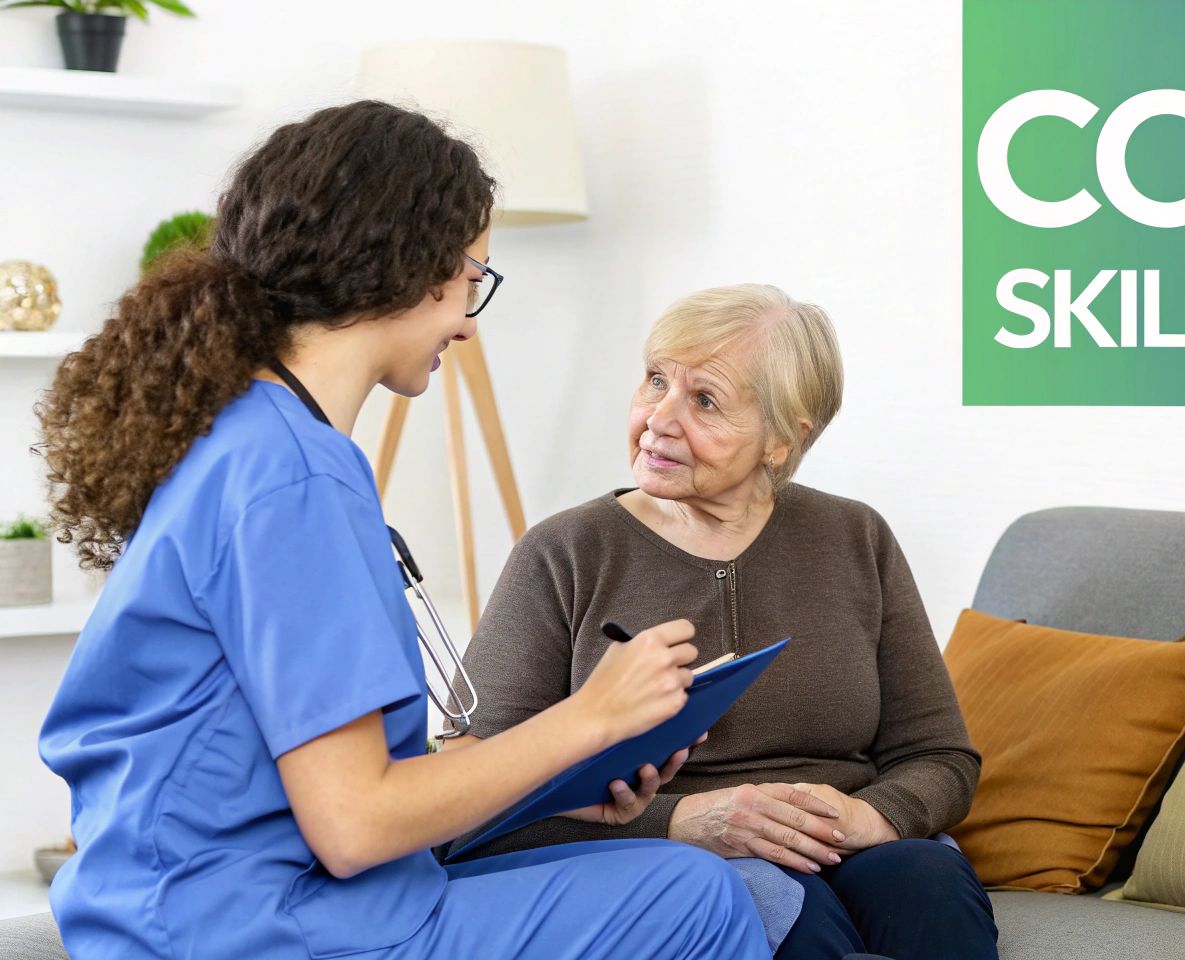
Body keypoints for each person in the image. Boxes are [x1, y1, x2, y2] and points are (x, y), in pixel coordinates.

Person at [35, 101, 769, 960]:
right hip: (250, 931)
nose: (466, 321)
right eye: (473, 281)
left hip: (187, 910)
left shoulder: (242, 439)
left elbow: (308, 788)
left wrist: (553, 783)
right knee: (699, 895)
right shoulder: (296, 477)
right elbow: (354, 821)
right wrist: (590, 719)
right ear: (413, 267)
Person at [447, 284, 999, 960]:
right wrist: (680, 819)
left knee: (932, 883)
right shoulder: (564, 552)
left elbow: (940, 755)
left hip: (838, 836)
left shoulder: (855, 537)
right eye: (655, 381)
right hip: (678, 856)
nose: (659, 419)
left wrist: (872, 816)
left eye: (704, 400)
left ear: (782, 439)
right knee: (784, 912)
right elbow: (471, 802)